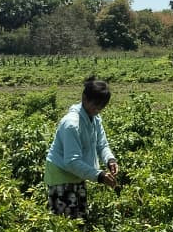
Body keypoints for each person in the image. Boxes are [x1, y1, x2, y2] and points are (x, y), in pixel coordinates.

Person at [44, 77, 118, 220]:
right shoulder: (71, 124)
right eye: (95, 104)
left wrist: (110, 160)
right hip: (61, 175)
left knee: (79, 217)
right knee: (64, 223)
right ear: (84, 97)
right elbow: (71, 161)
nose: (97, 109)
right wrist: (99, 175)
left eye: (101, 106)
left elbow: (101, 144)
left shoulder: (94, 119)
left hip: (77, 174)